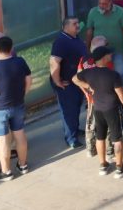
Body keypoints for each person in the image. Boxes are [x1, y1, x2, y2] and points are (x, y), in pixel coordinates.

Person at [72, 46, 123, 178]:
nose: (111, 56)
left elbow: (74, 79)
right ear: (104, 57)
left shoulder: (89, 73)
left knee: (100, 137)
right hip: (113, 109)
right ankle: (119, 168)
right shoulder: (113, 75)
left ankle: (103, 165)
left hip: (97, 109)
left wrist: (88, 86)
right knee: (117, 139)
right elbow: (121, 94)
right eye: (109, 54)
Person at [0, 36, 32, 182]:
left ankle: (6, 172)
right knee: (20, 136)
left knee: (3, 142)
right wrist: (24, 93)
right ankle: (23, 166)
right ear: (12, 47)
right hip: (17, 105)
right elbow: (28, 79)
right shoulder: (20, 61)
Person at [50, 17, 88, 149]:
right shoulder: (61, 42)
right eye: (74, 24)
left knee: (76, 107)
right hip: (66, 83)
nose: (78, 25)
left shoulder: (75, 38)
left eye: (78, 23)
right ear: (66, 27)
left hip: (77, 81)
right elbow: (54, 62)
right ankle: (71, 138)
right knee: (68, 110)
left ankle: (75, 130)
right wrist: (57, 81)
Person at [84, 0, 123, 80]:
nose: (101, 6)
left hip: (117, 49)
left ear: (110, 2)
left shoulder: (120, 11)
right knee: (101, 75)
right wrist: (87, 49)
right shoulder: (93, 12)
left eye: (104, 4)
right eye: (100, 3)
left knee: (120, 72)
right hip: (99, 52)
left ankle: (118, 91)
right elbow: (89, 31)